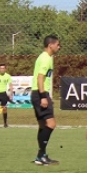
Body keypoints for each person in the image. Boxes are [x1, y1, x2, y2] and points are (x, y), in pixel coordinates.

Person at [31, 35, 61, 165]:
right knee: (51, 124)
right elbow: (40, 78)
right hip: (40, 94)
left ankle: (42, 155)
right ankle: (40, 155)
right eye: (57, 44)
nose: (59, 47)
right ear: (51, 45)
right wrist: (43, 96)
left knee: (43, 126)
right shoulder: (45, 58)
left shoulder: (46, 57)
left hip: (36, 93)